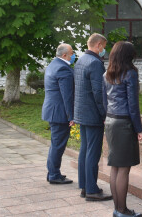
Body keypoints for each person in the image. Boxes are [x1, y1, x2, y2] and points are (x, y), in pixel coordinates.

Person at [105, 41, 142, 217]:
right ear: (128, 55)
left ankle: (117, 209)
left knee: (115, 167)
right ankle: (122, 210)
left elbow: (104, 100)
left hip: (110, 120)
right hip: (123, 123)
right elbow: (133, 105)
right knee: (123, 169)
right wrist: (139, 129)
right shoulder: (130, 73)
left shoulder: (107, 73)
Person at [74, 33, 112, 201]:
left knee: (84, 149)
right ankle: (92, 189)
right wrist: (104, 114)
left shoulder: (81, 60)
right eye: (103, 47)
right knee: (93, 152)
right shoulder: (96, 63)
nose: (104, 50)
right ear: (98, 46)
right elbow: (98, 93)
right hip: (93, 114)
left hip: (82, 112)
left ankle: (84, 186)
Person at [41, 43, 76, 185]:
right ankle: (54, 174)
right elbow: (67, 96)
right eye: (72, 52)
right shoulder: (63, 68)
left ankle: (53, 172)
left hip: (53, 110)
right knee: (58, 144)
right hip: (59, 113)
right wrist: (71, 116)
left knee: (56, 143)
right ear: (64, 55)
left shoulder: (53, 65)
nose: (74, 55)